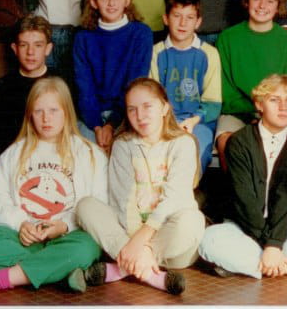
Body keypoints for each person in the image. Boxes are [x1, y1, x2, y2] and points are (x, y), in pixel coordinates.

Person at [0, 78, 108, 293]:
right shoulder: (13, 153)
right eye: (38, 111)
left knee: (88, 247)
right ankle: (61, 269)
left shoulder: (90, 154)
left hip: (68, 236)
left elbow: (99, 205)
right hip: (22, 238)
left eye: (53, 110)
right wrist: (21, 223)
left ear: (67, 112)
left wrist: (64, 225)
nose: (46, 118)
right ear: (30, 114)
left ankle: (2, 278)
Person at [76, 78, 205, 295]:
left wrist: (142, 242)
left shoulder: (184, 143)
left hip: (170, 246)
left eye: (147, 106)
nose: (140, 116)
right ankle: (153, 276)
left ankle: (120, 269)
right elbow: (122, 201)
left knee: (193, 220)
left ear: (164, 108)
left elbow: (175, 199)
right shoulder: (123, 144)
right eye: (132, 109)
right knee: (85, 206)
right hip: (127, 237)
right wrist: (135, 243)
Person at [199, 74, 287, 278]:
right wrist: (269, 245)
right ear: (259, 105)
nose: (283, 107)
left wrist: (275, 244)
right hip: (245, 227)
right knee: (209, 240)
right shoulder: (240, 141)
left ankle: (262, 262)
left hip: (286, 225)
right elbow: (244, 201)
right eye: (274, 100)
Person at [215, 0, 287, 168]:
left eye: (270, 0)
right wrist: (255, 115)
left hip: (278, 112)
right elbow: (226, 92)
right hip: (237, 114)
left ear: (278, 5)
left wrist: (266, 116)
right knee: (227, 142)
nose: (262, 5)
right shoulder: (227, 39)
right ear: (247, 1)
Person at [0, 16, 54, 195]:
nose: (30, 52)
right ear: (14, 49)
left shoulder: (61, 85)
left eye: (38, 45)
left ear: (48, 49)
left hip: (51, 164)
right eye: (24, 45)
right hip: (10, 165)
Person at [73, 0, 152, 154]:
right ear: (94, 2)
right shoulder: (83, 37)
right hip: (91, 116)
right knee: (88, 153)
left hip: (127, 112)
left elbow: (135, 84)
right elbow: (84, 87)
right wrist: (97, 126)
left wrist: (111, 124)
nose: (111, 3)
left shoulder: (141, 34)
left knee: (124, 153)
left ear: (127, 0)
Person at [150, 0, 221, 175]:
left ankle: (188, 193)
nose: (183, 23)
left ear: (198, 22)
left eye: (189, 17)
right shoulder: (156, 53)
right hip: (163, 122)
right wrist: (169, 124)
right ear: (166, 19)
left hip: (198, 122)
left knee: (193, 156)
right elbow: (152, 100)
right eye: (177, 16)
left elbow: (213, 103)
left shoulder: (209, 54)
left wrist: (193, 121)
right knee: (156, 160)